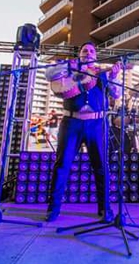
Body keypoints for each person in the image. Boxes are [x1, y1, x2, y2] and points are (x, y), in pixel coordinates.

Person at [45, 42, 121, 222]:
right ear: (79, 54)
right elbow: (49, 74)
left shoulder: (102, 73)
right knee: (62, 165)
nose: (88, 53)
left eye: (92, 51)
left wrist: (115, 76)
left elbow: (116, 94)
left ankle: (105, 209)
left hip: (97, 123)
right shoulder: (68, 69)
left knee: (101, 167)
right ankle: (53, 209)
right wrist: (68, 65)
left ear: (96, 55)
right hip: (71, 122)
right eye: (85, 50)